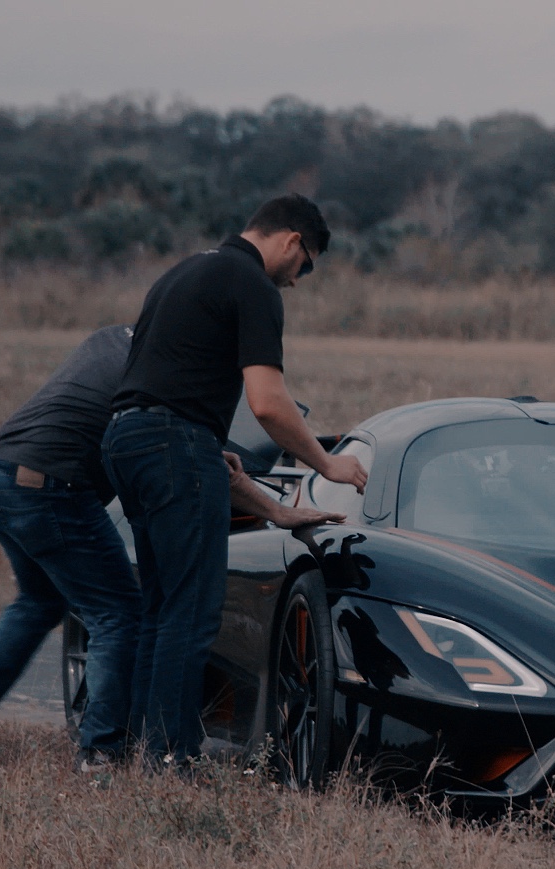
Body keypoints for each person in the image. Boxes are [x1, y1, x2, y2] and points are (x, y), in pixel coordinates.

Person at [0, 324, 343, 762]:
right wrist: (276, 511)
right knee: (118, 614)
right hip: (51, 489)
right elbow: (190, 456)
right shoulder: (161, 374)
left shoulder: (116, 340)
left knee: (39, 603)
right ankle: (100, 752)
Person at [104, 193, 366, 771]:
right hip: (173, 444)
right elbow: (268, 404)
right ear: (292, 240)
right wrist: (329, 465)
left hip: (127, 439)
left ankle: (148, 756)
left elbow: (164, 377)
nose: (299, 280)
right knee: (193, 612)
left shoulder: (185, 271)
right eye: (307, 264)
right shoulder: (252, 284)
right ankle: (172, 759)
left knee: (161, 608)